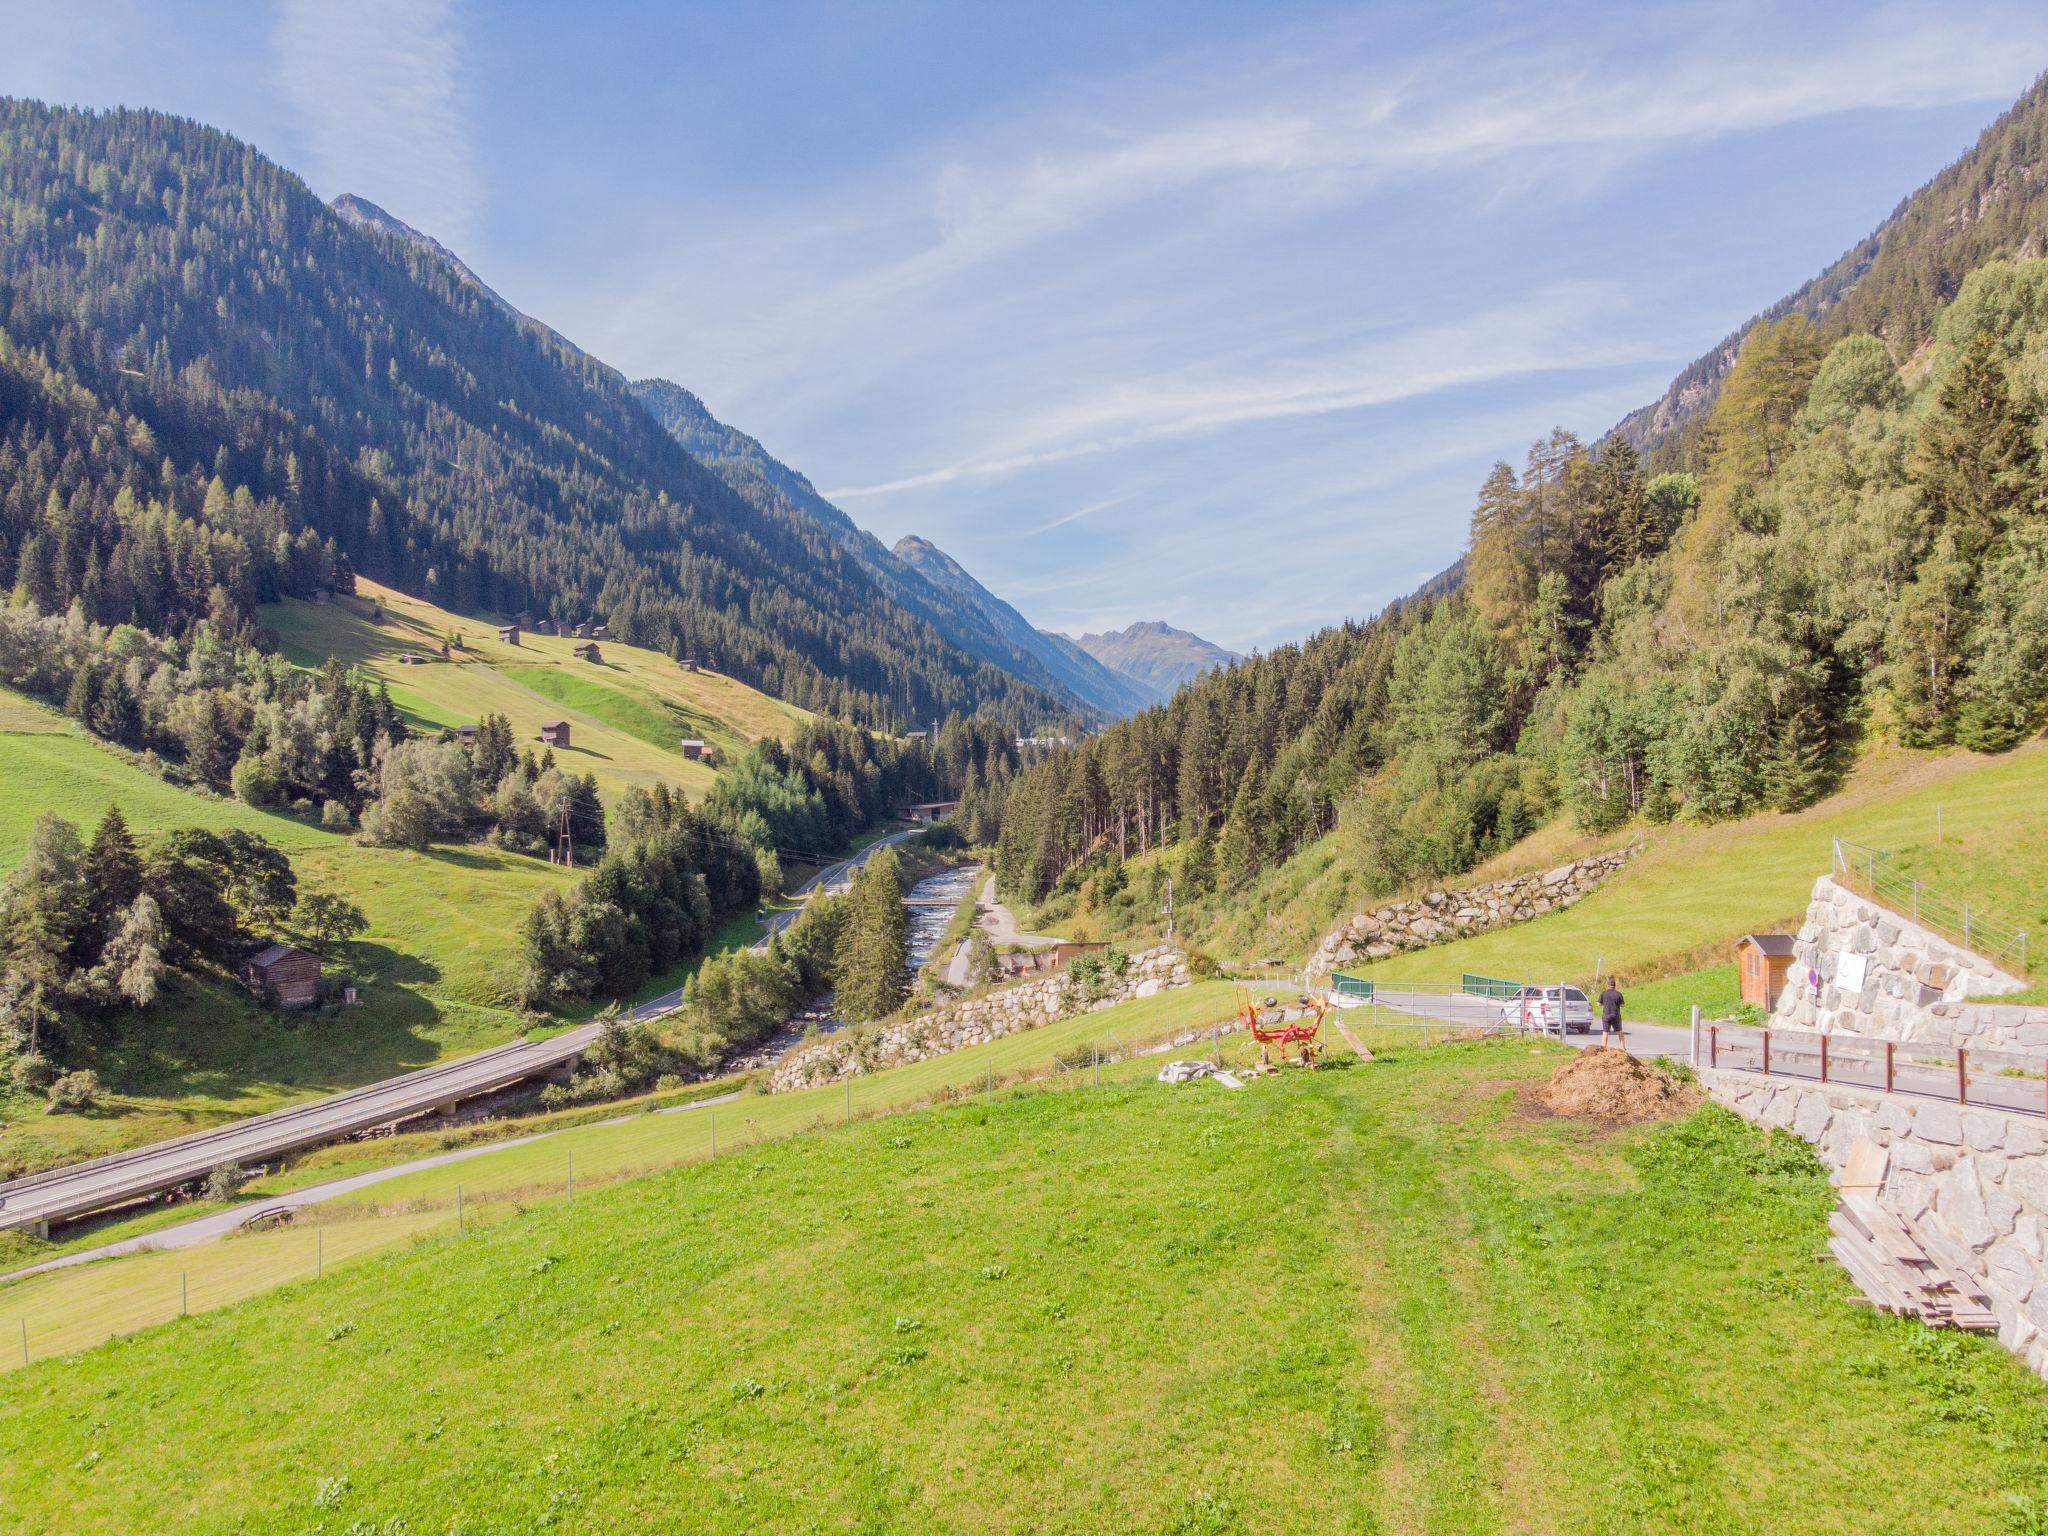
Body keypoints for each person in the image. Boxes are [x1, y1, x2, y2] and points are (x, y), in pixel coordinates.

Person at [1599, 978, 1625, 1048]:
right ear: (1615, 986)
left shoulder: (1603, 993)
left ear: (1608, 985)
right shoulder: (1618, 994)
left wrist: (1604, 1004)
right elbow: (1622, 1005)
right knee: (1620, 1031)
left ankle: (1604, 1047)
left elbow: (1598, 1004)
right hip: (1616, 1015)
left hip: (1606, 1015)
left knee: (1605, 1032)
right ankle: (1622, 1047)